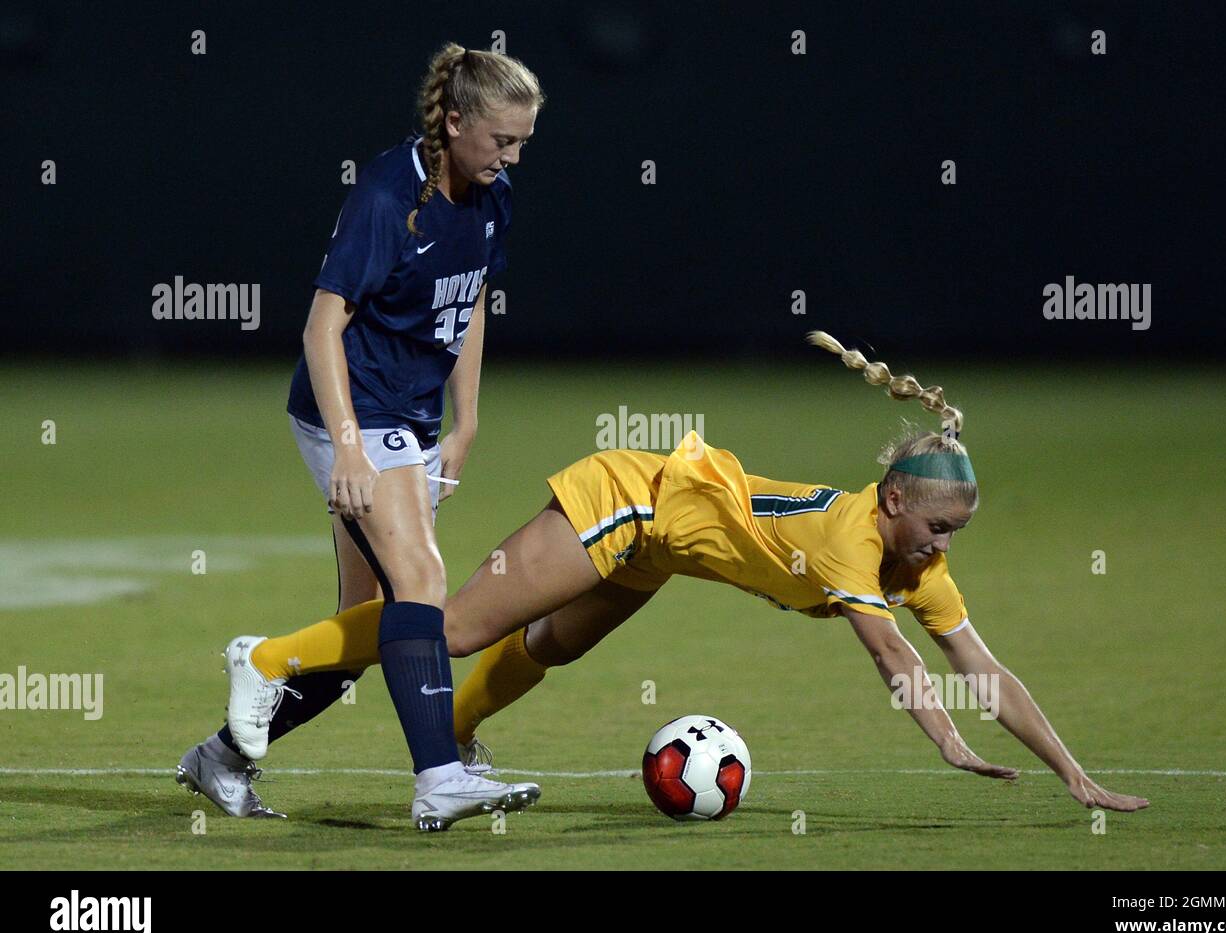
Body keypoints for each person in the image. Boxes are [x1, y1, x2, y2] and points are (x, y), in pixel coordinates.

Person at [217, 331, 1151, 815]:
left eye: (958, 533)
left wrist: (1074, 775)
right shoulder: (854, 544)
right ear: (896, 500)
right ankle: (265, 660)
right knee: (453, 626)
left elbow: (983, 668)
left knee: (549, 645)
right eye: (941, 526)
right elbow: (898, 662)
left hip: (660, 550)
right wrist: (946, 740)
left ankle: (454, 737)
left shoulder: (917, 563)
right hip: (626, 497)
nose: (947, 547)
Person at [177, 42, 546, 832]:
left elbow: (470, 299)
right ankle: (438, 775)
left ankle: (223, 756)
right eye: (500, 141)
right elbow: (320, 328)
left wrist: (467, 420)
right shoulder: (387, 197)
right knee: (424, 587)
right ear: (454, 122)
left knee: (370, 632)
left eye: (522, 143)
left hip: (409, 414)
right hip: (350, 407)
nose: (512, 157)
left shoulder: (491, 196)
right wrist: (347, 446)